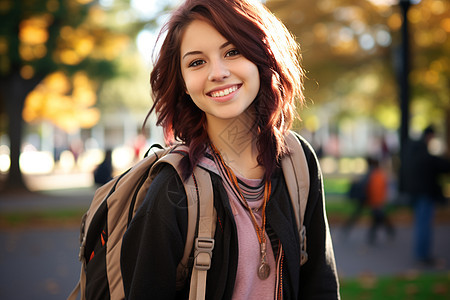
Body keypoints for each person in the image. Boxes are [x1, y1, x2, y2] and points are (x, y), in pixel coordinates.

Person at [120, 0, 340, 299]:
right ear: (184, 83)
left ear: (262, 55)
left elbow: (321, 285)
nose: (218, 72)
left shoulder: (297, 161)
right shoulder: (173, 190)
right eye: (197, 62)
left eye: (232, 51)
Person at [404, 125, 450, 265]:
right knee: (424, 225)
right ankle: (423, 255)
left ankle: (421, 253)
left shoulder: (414, 151)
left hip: (416, 193)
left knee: (421, 224)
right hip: (425, 193)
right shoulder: (424, 153)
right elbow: (440, 166)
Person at [365, 157, 395, 245]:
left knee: (378, 219)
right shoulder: (379, 174)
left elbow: (375, 190)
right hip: (378, 202)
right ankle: (389, 231)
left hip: (376, 202)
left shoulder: (374, 175)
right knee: (380, 218)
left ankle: (374, 235)